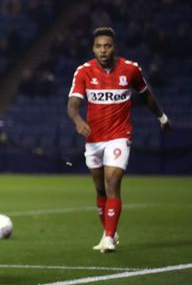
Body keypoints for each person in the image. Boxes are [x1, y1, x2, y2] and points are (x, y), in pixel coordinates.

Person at [67, 27, 171, 253]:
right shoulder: (83, 71)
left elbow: (146, 96)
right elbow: (73, 103)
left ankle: (109, 237)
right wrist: (77, 120)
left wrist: (162, 117)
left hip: (119, 136)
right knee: (100, 190)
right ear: (93, 48)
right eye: (98, 46)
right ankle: (108, 233)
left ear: (114, 47)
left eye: (107, 46)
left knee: (112, 182)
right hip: (93, 139)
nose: (103, 50)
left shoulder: (130, 69)